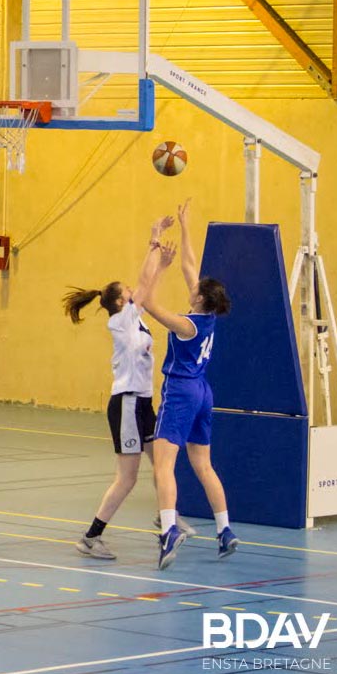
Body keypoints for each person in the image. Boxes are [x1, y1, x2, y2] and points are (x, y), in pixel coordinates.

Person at [63, 216, 195, 561]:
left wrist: (158, 250)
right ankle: (91, 537)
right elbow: (145, 282)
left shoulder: (136, 319)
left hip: (144, 405)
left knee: (162, 463)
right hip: (126, 404)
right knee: (127, 478)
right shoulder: (120, 319)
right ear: (122, 302)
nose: (134, 293)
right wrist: (157, 248)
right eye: (129, 293)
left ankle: (167, 518)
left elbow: (145, 285)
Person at [144, 199, 237, 569]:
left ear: (199, 298)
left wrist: (159, 266)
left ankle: (169, 530)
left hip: (181, 392)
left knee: (163, 466)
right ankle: (225, 530)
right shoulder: (209, 316)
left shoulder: (187, 324)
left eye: (196, 286)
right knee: (204, 465)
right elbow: (190, 262)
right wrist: (184, 225)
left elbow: (147, 303)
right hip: (203, 392)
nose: (192, 284)